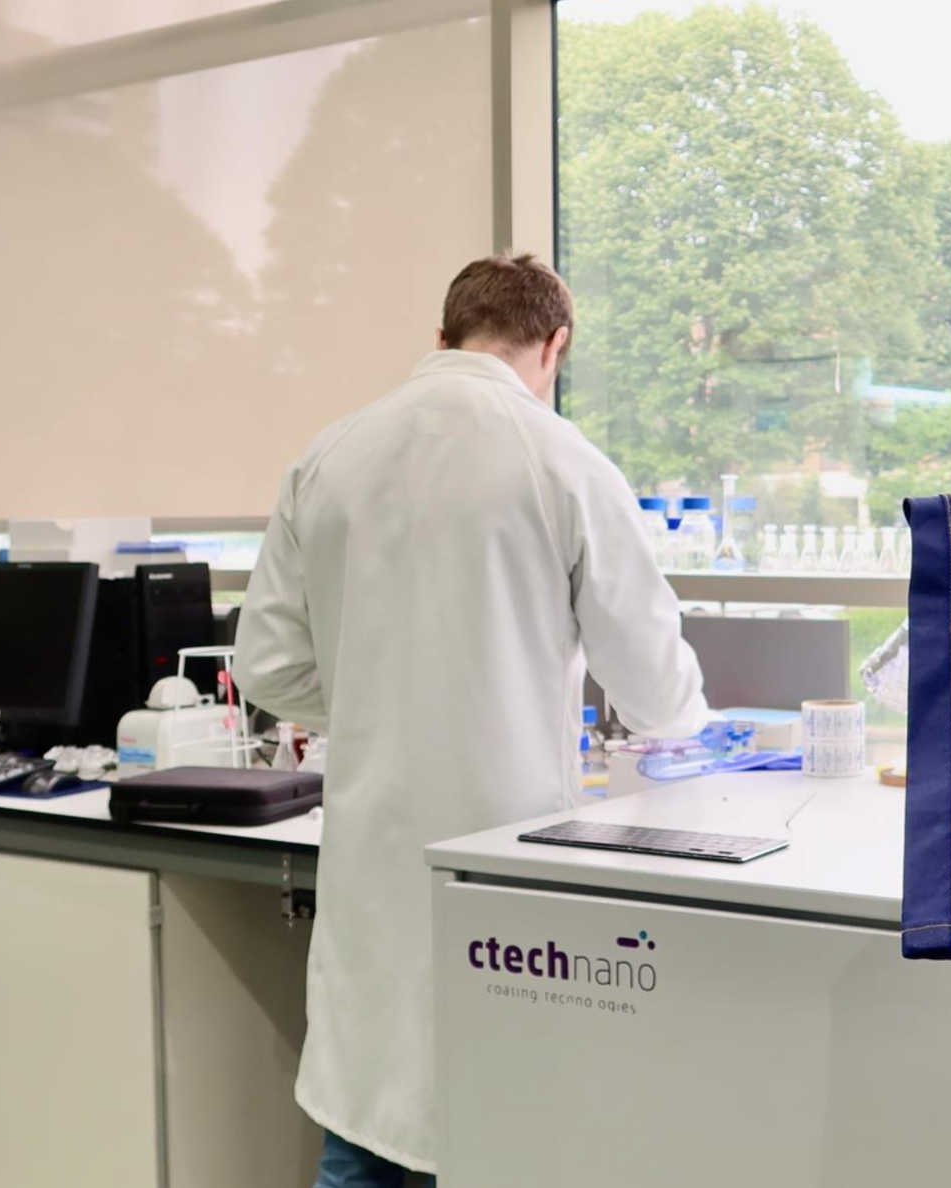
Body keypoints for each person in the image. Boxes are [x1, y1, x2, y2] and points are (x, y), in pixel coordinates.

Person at [235, 253, 711, 1187]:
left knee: (364, 1134)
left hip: (371, 860)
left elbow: (268, 667)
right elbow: (656, 692)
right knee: (506, 1130)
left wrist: (381, 701)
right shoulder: (563, 460)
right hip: (508, 861)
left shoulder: (329, 455)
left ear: (443, 336)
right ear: (555, 347)